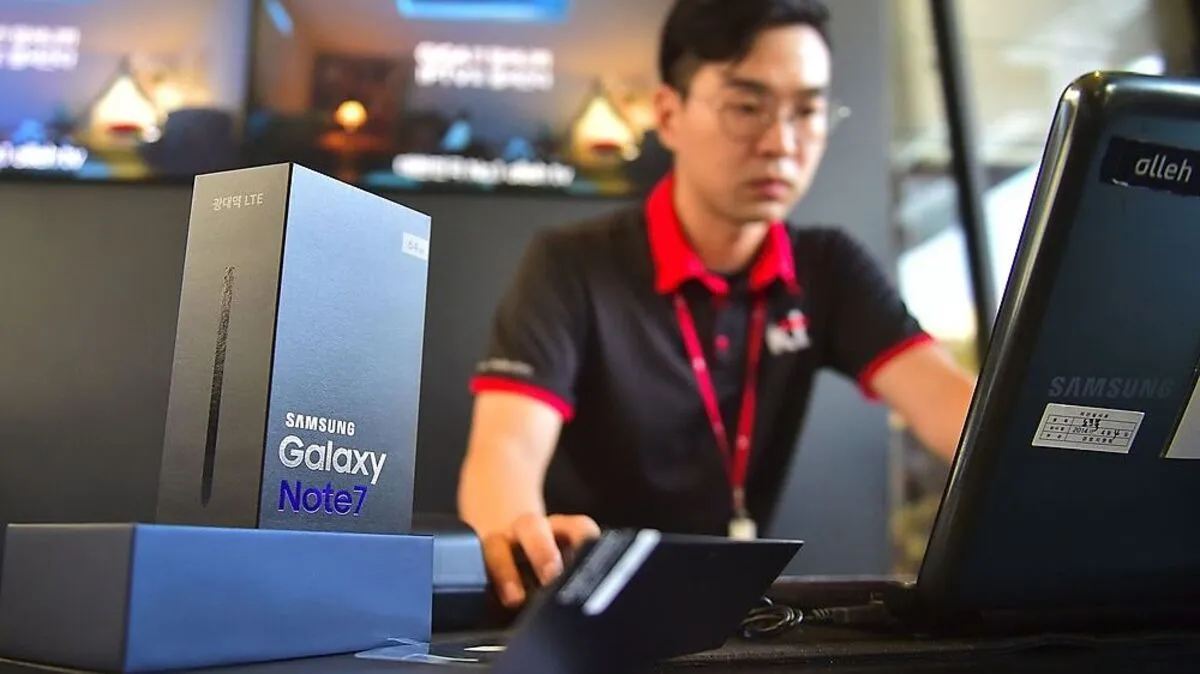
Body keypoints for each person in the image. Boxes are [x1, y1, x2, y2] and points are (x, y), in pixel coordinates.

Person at [458, 0, 976, 609]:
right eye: (747, 108)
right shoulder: (572, 264)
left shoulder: (828, 268)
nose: (781, 143)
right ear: (668, 114)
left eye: (807, 110)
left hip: (732, 611)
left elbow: (954, 408)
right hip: (587, 600)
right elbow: (506, 447)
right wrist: (517, 536)